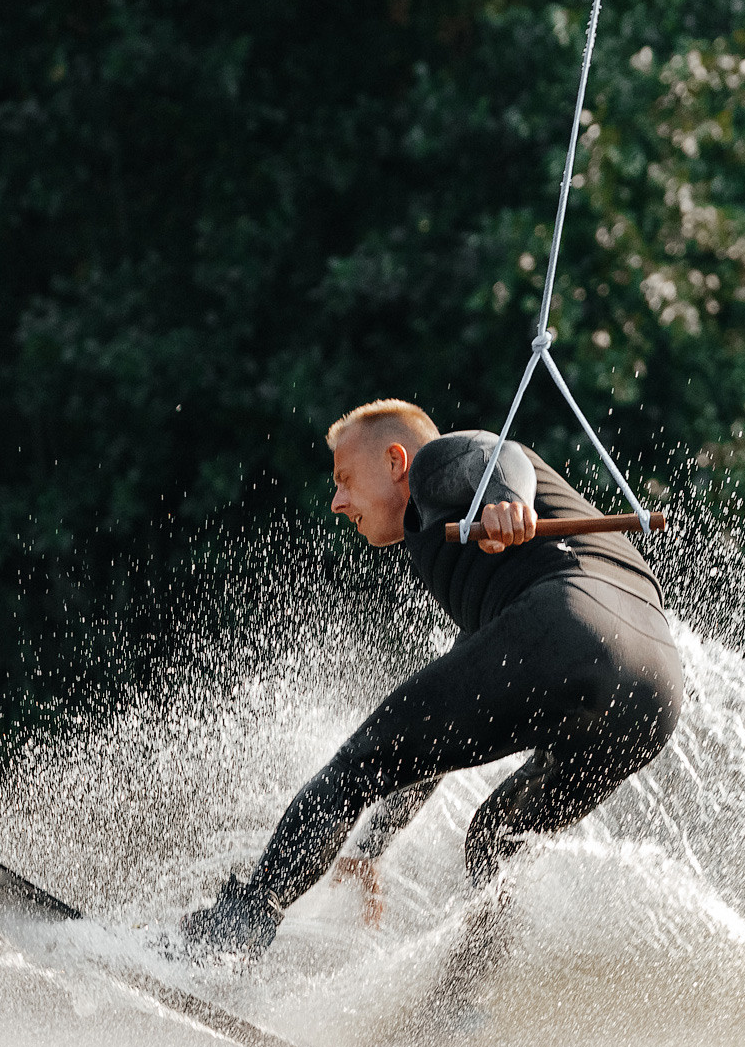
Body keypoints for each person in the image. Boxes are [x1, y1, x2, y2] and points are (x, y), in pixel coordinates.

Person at [179, 398, 682, 959]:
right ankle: (459, 1008)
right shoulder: (492, 576)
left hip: (569, 618)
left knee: (356, 763)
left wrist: (506, 502)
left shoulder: (432, 465)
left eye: (345, 479)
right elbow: (434, 744)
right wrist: (373, 849)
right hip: (656, 688)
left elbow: (495, 453)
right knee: (497, 841)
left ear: (396, 460)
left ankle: (235, 930)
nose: (337, 501)